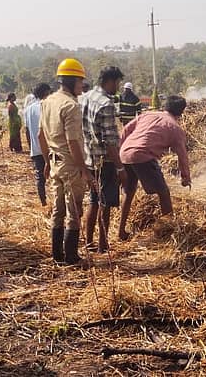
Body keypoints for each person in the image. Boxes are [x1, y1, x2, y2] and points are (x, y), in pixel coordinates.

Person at [38, 58, 96, 265]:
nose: (82, 85)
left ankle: (57, 255)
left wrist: (46, 162)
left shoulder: (48, 102)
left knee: (58, 209)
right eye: (80, 80)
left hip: (54, 163)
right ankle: (71, 256)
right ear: (71, 81)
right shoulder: (71, 106)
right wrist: (85, 171)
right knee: (74, 210)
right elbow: (73, 142)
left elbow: (40, 136)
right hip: (70, 165)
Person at [117, 95, 192, 242]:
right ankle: (168, 234)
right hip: (142, 156)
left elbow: (125, 130)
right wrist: (185, 177)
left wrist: (120, 149)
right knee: (163, 193)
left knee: (129, 191)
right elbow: (182, 156)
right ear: (181, 113)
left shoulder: (148, 114)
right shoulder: (175, 128)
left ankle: (120, 231)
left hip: (124, 153)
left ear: (165, 106)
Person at [81, 66, 127, 253]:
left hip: (88, 159)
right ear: (110, 81)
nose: (118, 86)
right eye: (117, 83)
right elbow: (109, 141)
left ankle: (89, 242)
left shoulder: (84, 97)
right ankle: (102, 245)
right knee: (105, 204)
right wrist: (120, 168)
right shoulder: (106, 104)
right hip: (104, 161)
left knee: (93, 200)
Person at [24, 83, 51, 206]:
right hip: (50, 148)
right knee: (56, 177)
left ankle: (43, 202)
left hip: (35, 148)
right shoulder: (46, 106)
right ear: (46, 93)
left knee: (40, 177)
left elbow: (27, 130)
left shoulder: (28, 109)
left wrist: (31, 147)